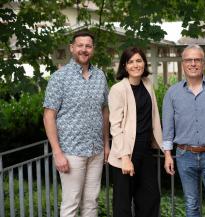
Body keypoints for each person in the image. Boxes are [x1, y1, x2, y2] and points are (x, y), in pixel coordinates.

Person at [43, 31, 110, 217]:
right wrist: (57, 153)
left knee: (91, 203)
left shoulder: (100, 77)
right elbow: (49, 116)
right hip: (71, 152)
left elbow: (105, 111)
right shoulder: (59, 77)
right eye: (80, 45)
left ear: (93, 49)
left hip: (95, 150)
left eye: (88, 46)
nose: (84, 49)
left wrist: (106, 144)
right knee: (71, 203)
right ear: (72, 48)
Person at [163, 44, 205, 217]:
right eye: (188, 60)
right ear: (183, 64)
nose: (193, 63)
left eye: (197, 60)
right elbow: (168, 126)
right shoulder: (172, 93)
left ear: (203, 63)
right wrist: (167, 155)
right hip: (184, 155)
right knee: (191, 205)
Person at [108, 47, 163, 217]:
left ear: (144, 63)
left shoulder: (147, 84)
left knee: (150, 200)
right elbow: (115, 126)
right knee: (123, 205)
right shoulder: (118, 89)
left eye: (139, 61)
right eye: (131, 62)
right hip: (125, 154)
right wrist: (125, 158)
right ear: (125, 66)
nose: (135, 65)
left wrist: (163, 148)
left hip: (145, 152)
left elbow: (154, 118)